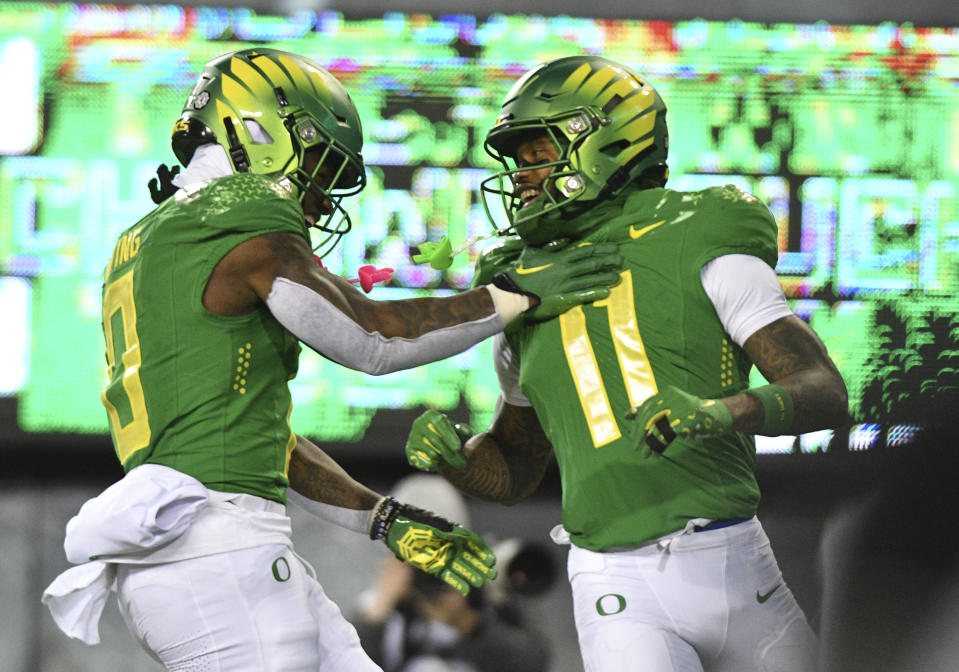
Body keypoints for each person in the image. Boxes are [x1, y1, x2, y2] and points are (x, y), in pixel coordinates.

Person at [40, 47, 625, 671]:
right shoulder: (239, 210)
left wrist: (385, 519)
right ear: (260, 132)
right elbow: (373, 340)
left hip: (199, 553)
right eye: (320, 161)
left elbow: (265, 440)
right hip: (219, 554)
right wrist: (516, 295)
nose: (321, 197)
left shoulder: (149, 238)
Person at [404, 55, 849, 672]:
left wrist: (722, 412)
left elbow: (825, 391)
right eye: (521, 161)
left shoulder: (700, 236)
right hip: (614, 579)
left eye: (539, 154)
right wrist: (461, 458)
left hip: (735, 559)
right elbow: (514, 471)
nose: (524, 177)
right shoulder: (522, 287)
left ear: (605, 143)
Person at [352, 474, 551, 672]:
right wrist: (378, 612)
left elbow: (533, 662)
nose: (428, 570)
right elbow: (344, 663)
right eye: (415, 555)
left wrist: (467, 622)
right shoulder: (383, 609)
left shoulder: (487, 602)